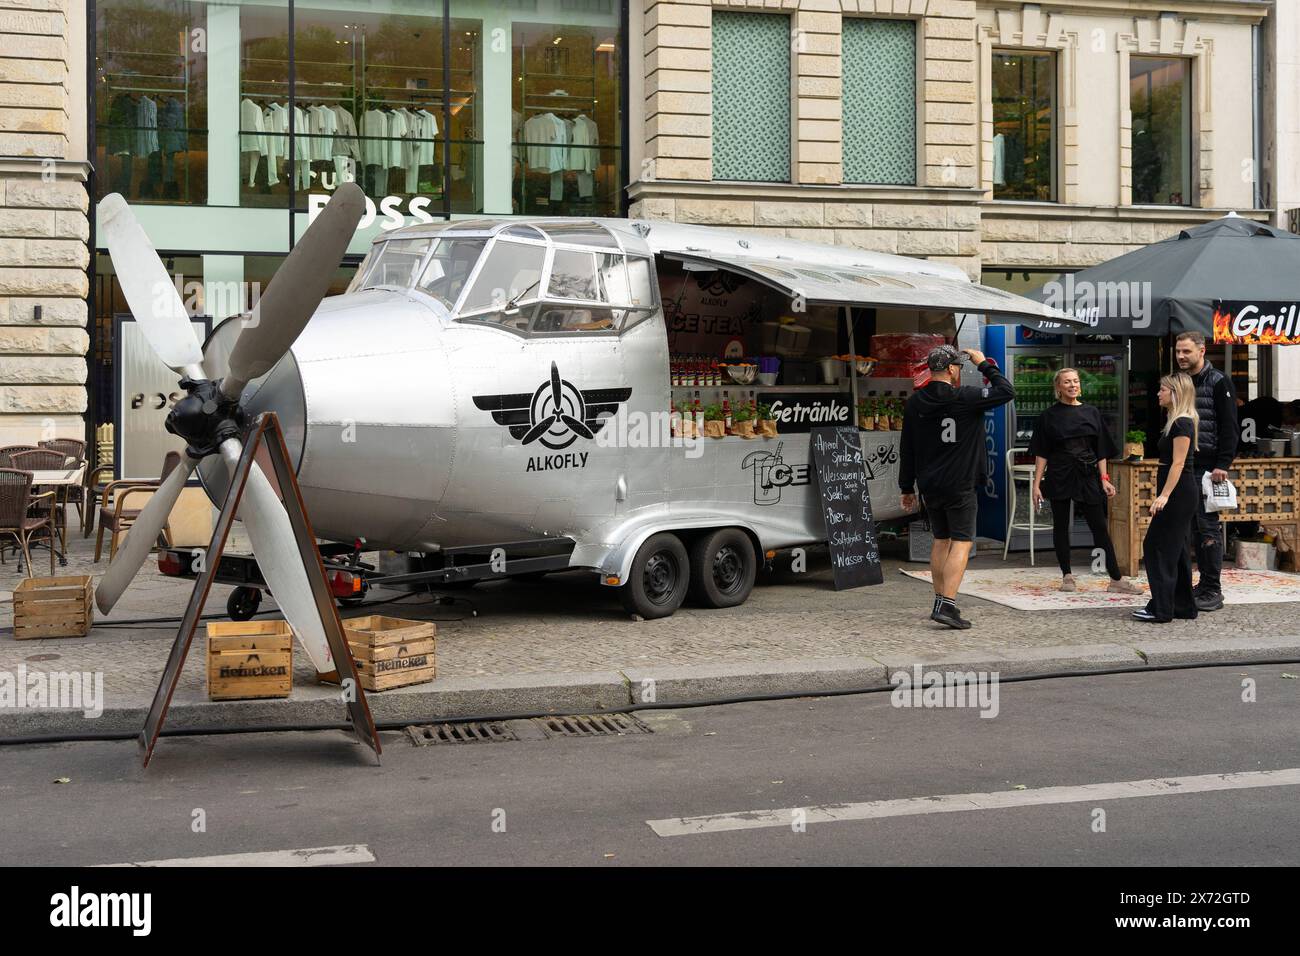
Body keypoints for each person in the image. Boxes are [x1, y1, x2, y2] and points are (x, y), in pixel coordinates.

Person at [899, 344, 1015, 629]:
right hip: (960, 482)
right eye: (959, 366)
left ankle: (940, 599)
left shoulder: (915, 403)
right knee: (962, 541)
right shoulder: (966, 397)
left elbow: (907, 448)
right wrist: (984, 363)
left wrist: (906, 487)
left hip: (930, 483)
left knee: (941, 540)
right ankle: (948, 606)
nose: (960, 370)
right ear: (951, 369)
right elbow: (1006, 391)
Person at [1029, 368, 1142, 594]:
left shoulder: (1092, 412)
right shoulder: (1048, 416)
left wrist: (1104, 479)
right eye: (1067, 382)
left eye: (1076, 381)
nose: (1073, 385)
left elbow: (1100, 450)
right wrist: (1036, 484)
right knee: (1061, 525)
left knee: (1099, 526)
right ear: (1058, 387)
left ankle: (1116, 580)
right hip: (1060, 472)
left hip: (1087, 472)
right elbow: (1042, 452)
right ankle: (1067, 576)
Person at [1174, 331, 1238, 611]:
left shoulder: (1218, 380)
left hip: (1208, 466)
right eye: (1178, 351)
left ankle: (1213, 589)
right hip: (1186, 463)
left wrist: (1222, 464)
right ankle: (1201, 585)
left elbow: (1230, 426)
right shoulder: (1181, 381)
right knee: (1190, 529)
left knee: (1207, 528)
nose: (1180, 356)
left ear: (1201, 351)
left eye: (1186, 351)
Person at [1133, 373, 1199, 622]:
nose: (1158, 393)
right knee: (1177, 549)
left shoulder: (1182, 422)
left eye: (1162, 389)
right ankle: (1182, 606)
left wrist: (1164, 496)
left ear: (1174, 393)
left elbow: (1179, 463)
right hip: (1179, 492)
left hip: (1179, 493)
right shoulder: (1178, 421)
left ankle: (1161, 608)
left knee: (1157, 547)